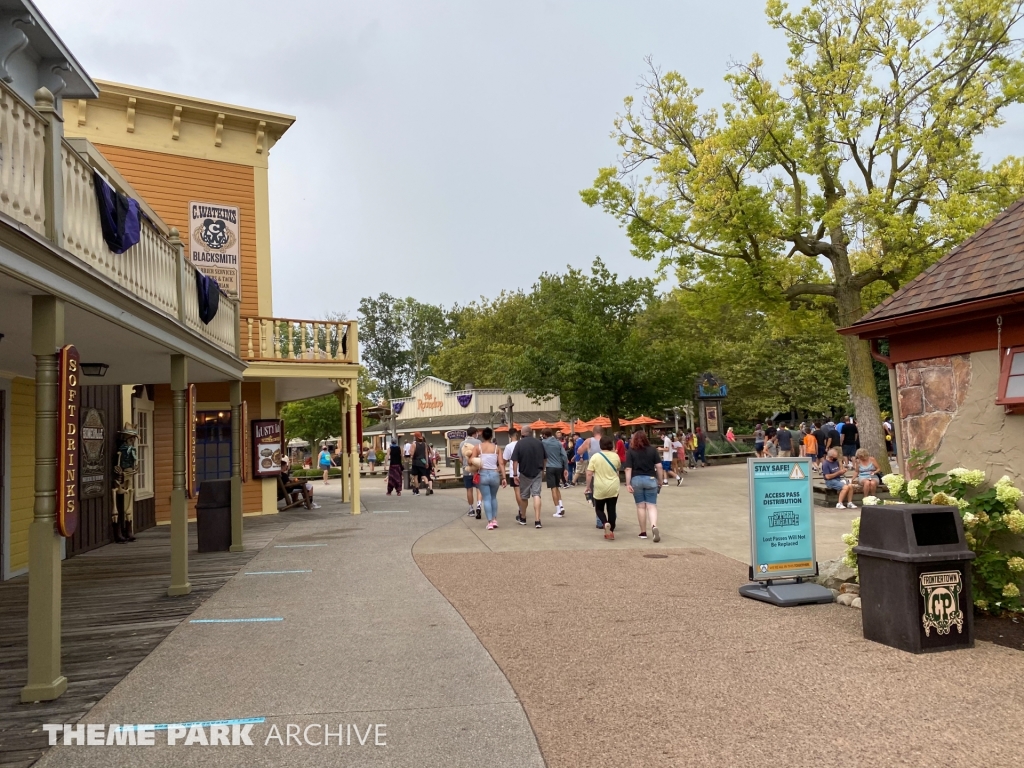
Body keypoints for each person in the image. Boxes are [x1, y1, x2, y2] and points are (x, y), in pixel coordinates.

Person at [625, 430, 665, 542]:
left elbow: (628, 468)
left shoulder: (631, 451)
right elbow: (659, 466)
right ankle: (654, 526)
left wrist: (628, 483)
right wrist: (660, 480)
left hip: (636, 480)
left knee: (640, 506)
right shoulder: (652, 450)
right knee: (651, 506)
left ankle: (643, 532)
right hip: (651, 479)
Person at [511, 425, 547, 528]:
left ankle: (523, 517)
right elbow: (545, 458)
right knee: (536, 494)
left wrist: (514, 475)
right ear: (531, 433)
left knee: (524, 496)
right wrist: (543, 470)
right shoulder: (539, 443)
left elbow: (515, 461)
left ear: (522, 434)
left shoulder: (519, 444)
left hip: (524, 473)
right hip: (537, 471)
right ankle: (537, 520)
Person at [587, 435, 622, 540]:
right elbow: (618, 468)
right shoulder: (616, 456)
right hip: (613, 486)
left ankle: (605, 522)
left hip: (600, 486)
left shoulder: (595, 457)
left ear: (600, 445)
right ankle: (611, 530)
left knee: (599, 508)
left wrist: (588, 486)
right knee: (612, 509)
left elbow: (589, 473)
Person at [473, 427, 507, 529]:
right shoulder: (497, 448)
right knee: (493, 497)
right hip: (494, 474)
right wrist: (504, 477)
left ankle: (489, 522)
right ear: (491, 436)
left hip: (482, 474)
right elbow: (501, 463)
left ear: (482, 436)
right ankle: (495, 519)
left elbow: (471, 460)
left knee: (486, 498)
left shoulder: (477, 447)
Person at [542, 428, 569, 517]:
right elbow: (564, 456)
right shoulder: (558, 443)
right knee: (557, 486)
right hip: (559, 466)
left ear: (545, 435)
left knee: (553, 488)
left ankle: (558, 510)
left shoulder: (544, 443)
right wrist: (565, 468)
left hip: (550, 466)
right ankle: (561, 505)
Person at [503, 429, 528, 523]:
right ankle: (523, 510)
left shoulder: (508, 446)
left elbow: (505, 459)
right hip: (524, 470)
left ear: (509, 436)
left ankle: (521, 510)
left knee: (517, 491)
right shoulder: (522, 444)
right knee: (524, 492)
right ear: (517, 435)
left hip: (514, 471)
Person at [460, 427, 482, 518]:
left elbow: (460, 458)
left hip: (467, 470)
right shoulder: (479, 443)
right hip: (477, 470)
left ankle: (471, 509)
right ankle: (479, 505)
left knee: (469, 489)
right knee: (479, 488)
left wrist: (465, 464)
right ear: (474, 433)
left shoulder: (462, 443)